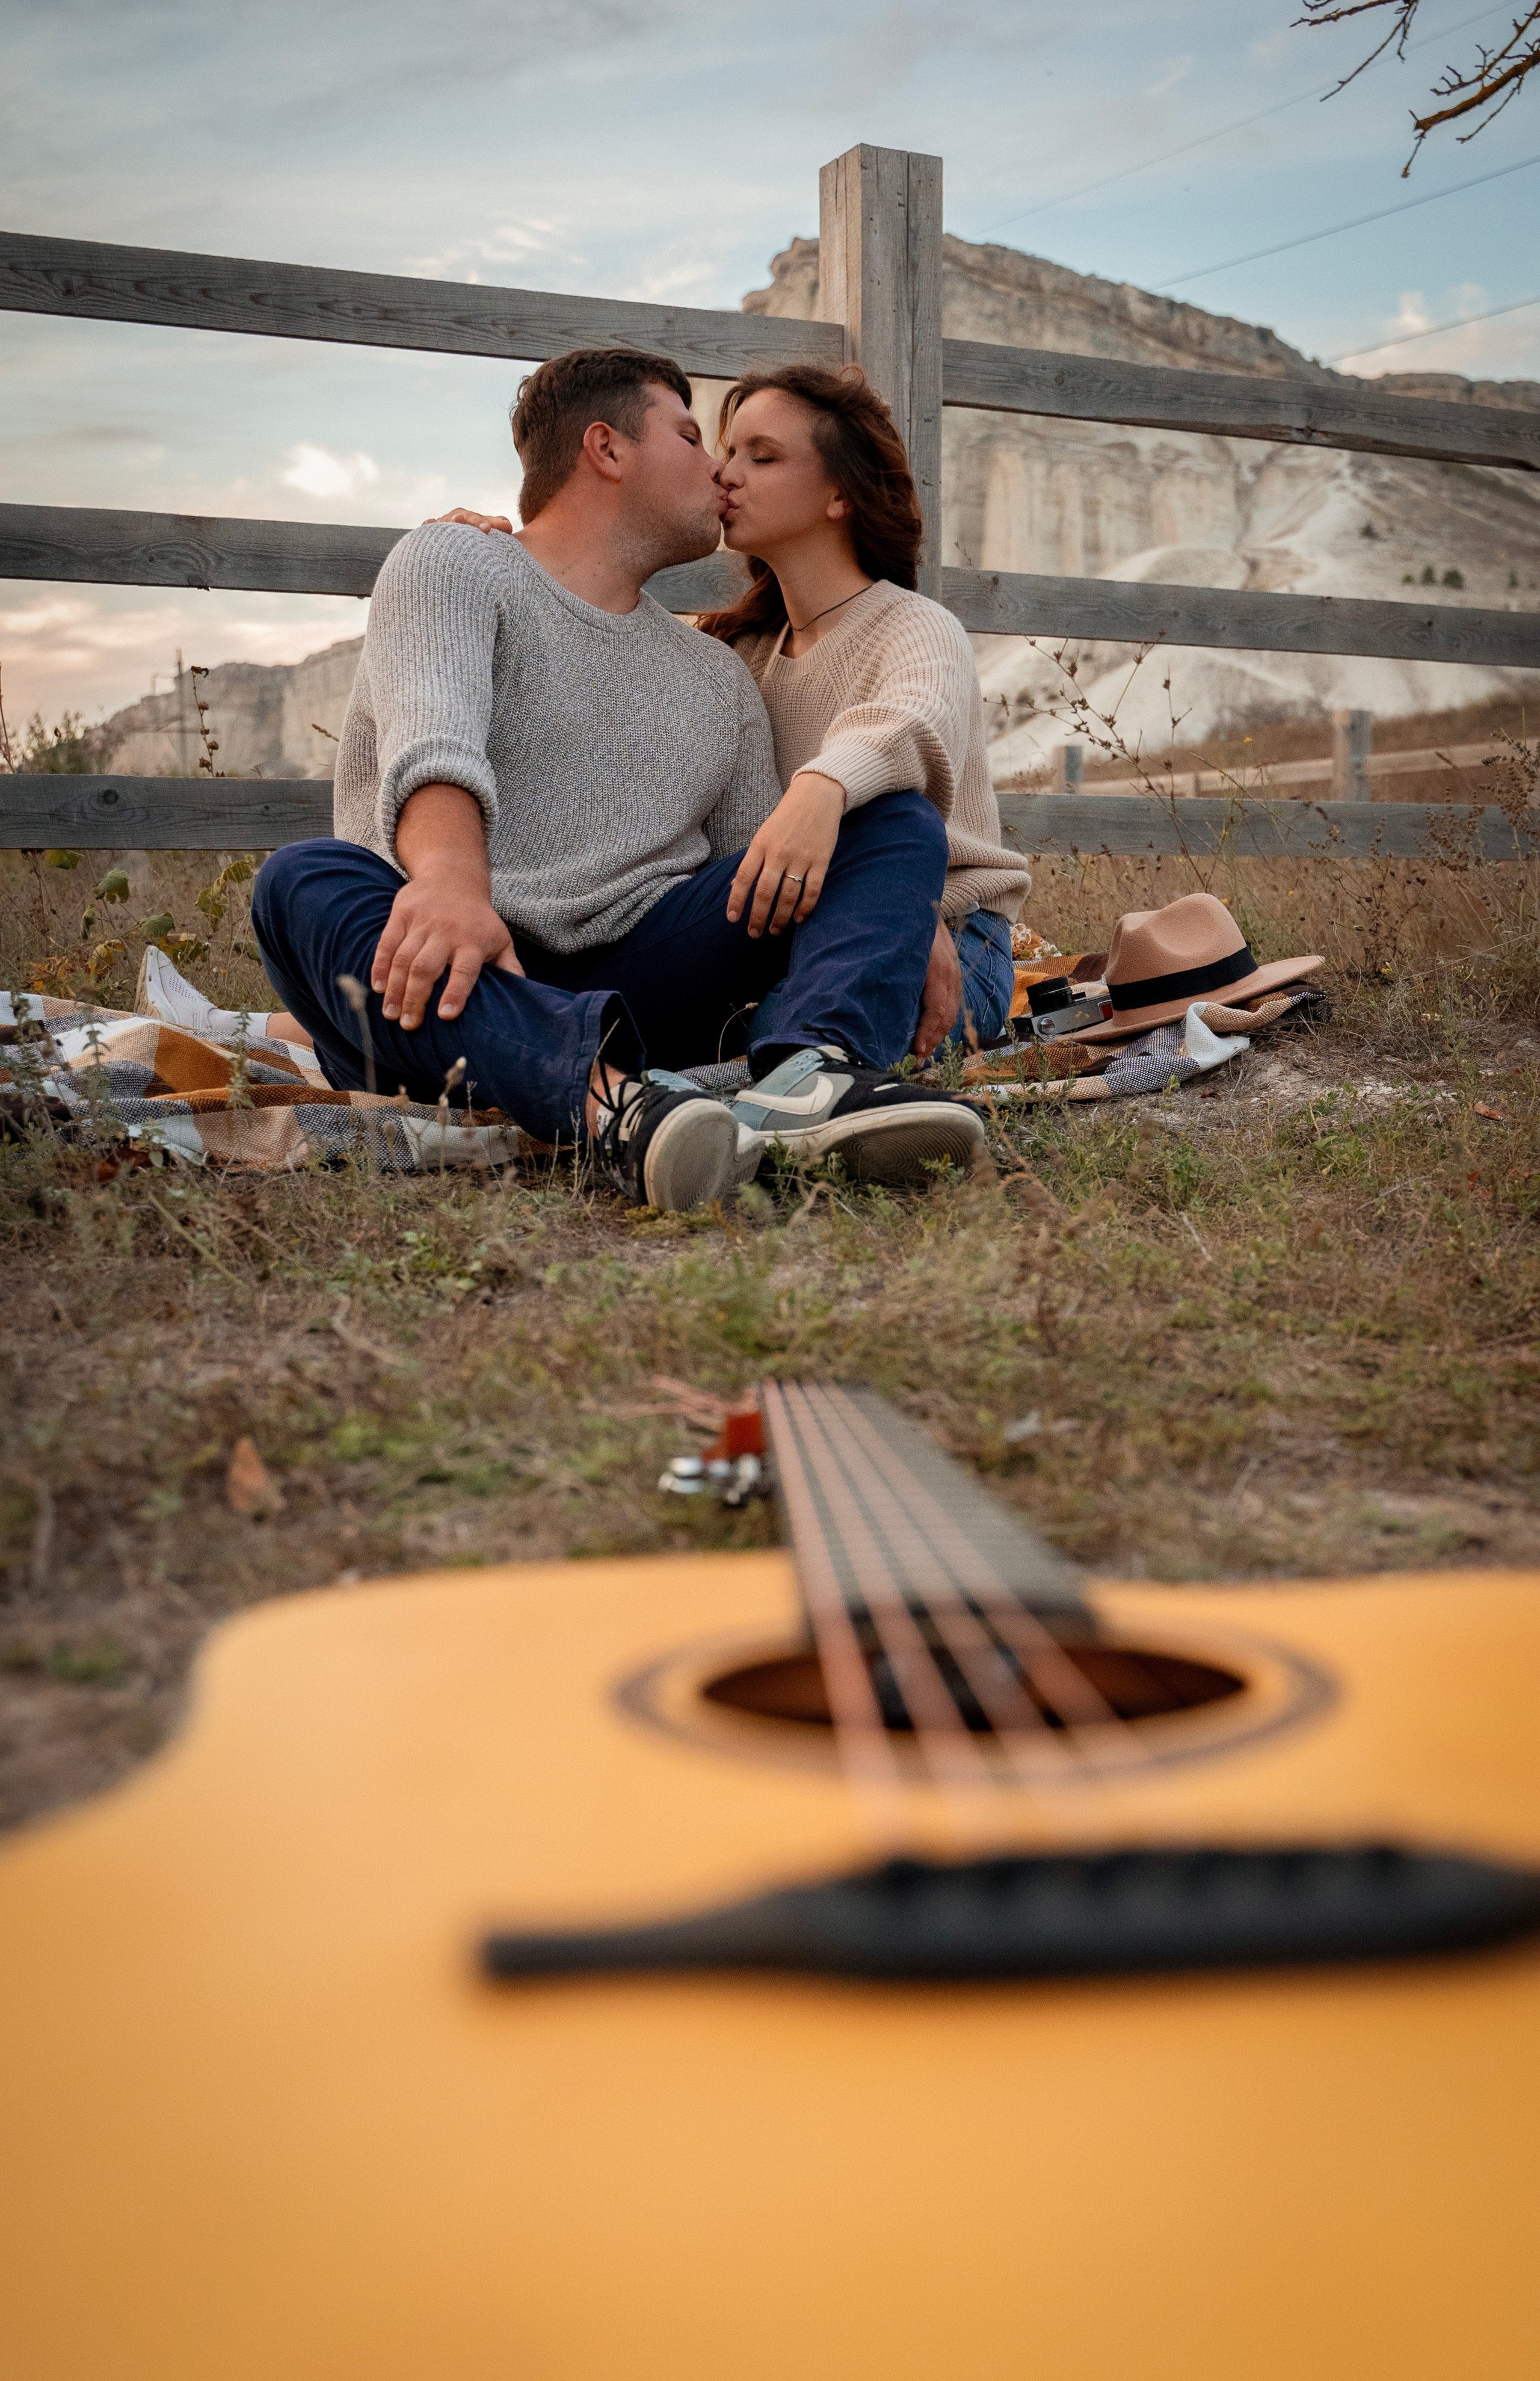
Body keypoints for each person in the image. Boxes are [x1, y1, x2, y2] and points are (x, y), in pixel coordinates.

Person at [242, 347, 984, 1211]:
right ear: (606, 448)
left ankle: (810, 1081)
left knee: (888, 820)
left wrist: (892, 903)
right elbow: (431, 739)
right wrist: (451, 884)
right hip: (451, 984)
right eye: (690, 433)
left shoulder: (716, 673)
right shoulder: (456, 563)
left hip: (645, 977)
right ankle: (617, 1114)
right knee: (301, 879)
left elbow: (767, 877)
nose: (718, 467)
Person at [444, 364, 1032, 1062]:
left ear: (840, 493)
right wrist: (494, 553)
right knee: (723, 1027)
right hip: (802, 915)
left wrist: (830, 799)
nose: (726, 472)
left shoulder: (913, 624)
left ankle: (804, 1079)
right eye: (725, 451)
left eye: (763, 456)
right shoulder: (731, 653)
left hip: (953, 932)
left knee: (766, 1027)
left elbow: (906, 723)